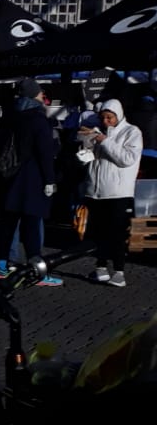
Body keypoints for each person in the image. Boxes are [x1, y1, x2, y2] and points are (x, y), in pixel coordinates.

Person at [0, 77, 63, 285]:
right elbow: (45, 153)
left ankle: (2, 267)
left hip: (9, 175)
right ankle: (36, 271)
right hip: (33, 177)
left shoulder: (11, 114)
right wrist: (50, 180)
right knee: (32, 224)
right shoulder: (38, 119)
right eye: (41, 92)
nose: (43, 96)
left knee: (8, 224)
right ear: (35, 95)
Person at [80, 98, 144, 287]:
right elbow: (91, 160)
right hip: (95, 191)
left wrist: (106, 141)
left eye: (110, 117)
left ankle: (119, 271)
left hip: (118, 192)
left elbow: (127, 159)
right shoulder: (97, 131)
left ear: (119, 115)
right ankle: (100, 267)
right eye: (103, 117)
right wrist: (84, 148)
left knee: (116, 233)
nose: (106, 121)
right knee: (97, 232)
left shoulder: (132, 132)